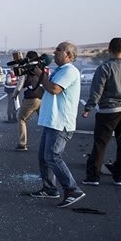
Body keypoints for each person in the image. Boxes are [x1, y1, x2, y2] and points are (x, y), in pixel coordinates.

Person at [82, 37, 121, 186]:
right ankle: (120, 177)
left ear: (109, 50)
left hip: (108, 111)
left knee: (100, 144)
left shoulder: (104, 68)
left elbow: (97, 91)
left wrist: (88, 107)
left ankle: (93, 177)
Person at [29, 41, 85, 208]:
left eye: (58, 50)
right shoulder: (58, 71)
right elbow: (40, 91)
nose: (54, 52)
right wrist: (33, 76)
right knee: (43, 157)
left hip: (61, 122)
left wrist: (42, 74)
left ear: (68, 55)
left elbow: (54, 89)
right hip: (51, 121)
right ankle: (50, 188)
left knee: (53, 156)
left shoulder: (70, 71)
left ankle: (73, 189)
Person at [15, 50, 46, 151]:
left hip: (31, 98)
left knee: (21, 118)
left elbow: (21, 81)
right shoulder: (41, 67)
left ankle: (22, 143)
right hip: (42, 97)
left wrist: (15, 93)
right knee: (46, 122)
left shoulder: (28, 68)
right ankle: (49, 143)